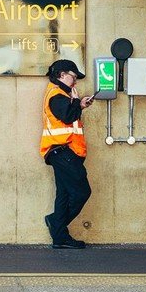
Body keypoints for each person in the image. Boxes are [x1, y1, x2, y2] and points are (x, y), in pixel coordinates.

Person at [40, 59, 94, 249]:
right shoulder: (56, 95)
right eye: (73, 77)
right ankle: (56, 223)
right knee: (81, 191)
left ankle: (60, 238)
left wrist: (79, 104)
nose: (76, 81)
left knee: (63, 194)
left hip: (61, 152)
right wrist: (78, 104)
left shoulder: (62, 95)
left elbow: (67, 115)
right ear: (62, 75)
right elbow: (67, 115)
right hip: (63, 151)